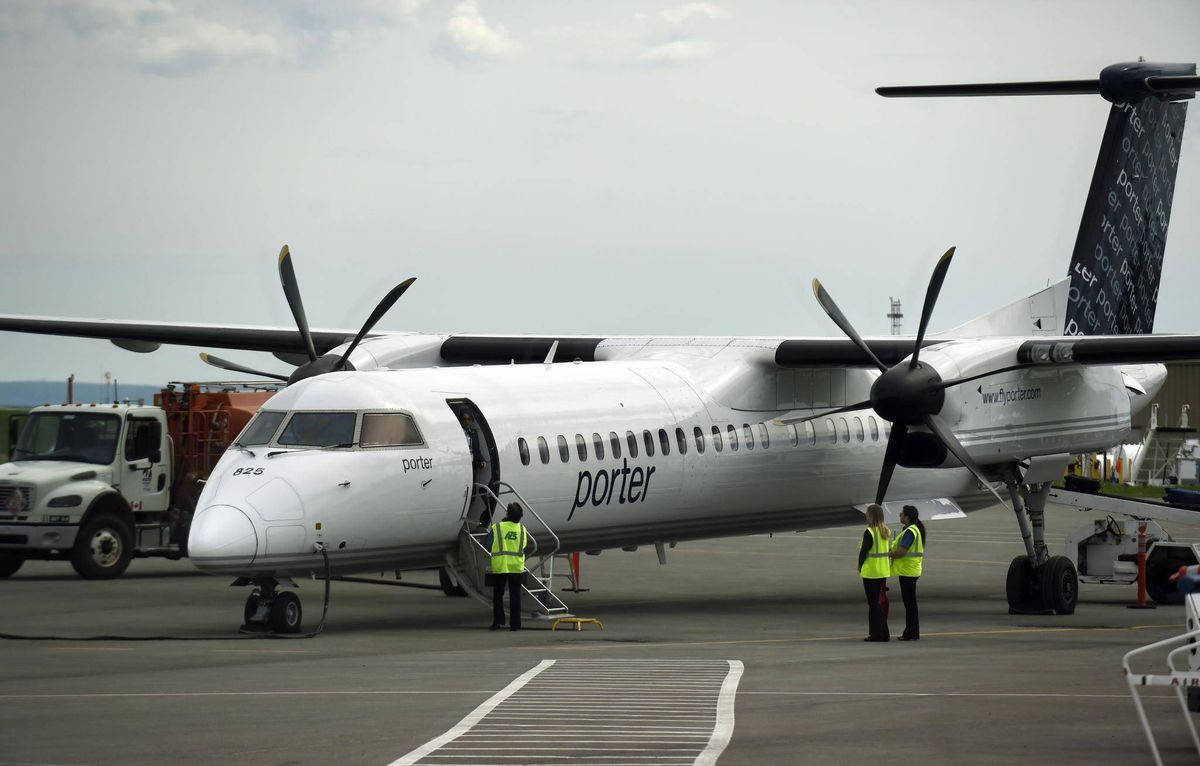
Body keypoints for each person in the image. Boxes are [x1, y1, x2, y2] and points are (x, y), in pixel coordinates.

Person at [485, 502, 537, 631]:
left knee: (498, 595)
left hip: (501, 566)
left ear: (507, 513)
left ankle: (498, 621)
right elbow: (523, 545)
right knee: (515, 596)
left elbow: (488, 544)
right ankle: (515, 624)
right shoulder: (522, 529)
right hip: (516, 566)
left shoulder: (497, 527)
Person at [889, 504, 926, 641]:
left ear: (907, 517)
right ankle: (912, 632)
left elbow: (902, 551)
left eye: (901, 514)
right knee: (911, 604)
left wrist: (889, 554)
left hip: (908, 571)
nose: (899, 515)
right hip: (911, 570)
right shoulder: (913, 529)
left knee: (909, 604)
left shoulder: (910, 531)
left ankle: (910, 633)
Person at [858, 503, 892, 642]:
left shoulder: (870, 532)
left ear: (871, 516)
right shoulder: (886, 531)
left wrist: (860, 565)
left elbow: (864, 551)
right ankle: (883, 632)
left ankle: (877, 634)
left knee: (873, 605)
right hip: (882, 571)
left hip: (871, 572)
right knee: (877, 603)